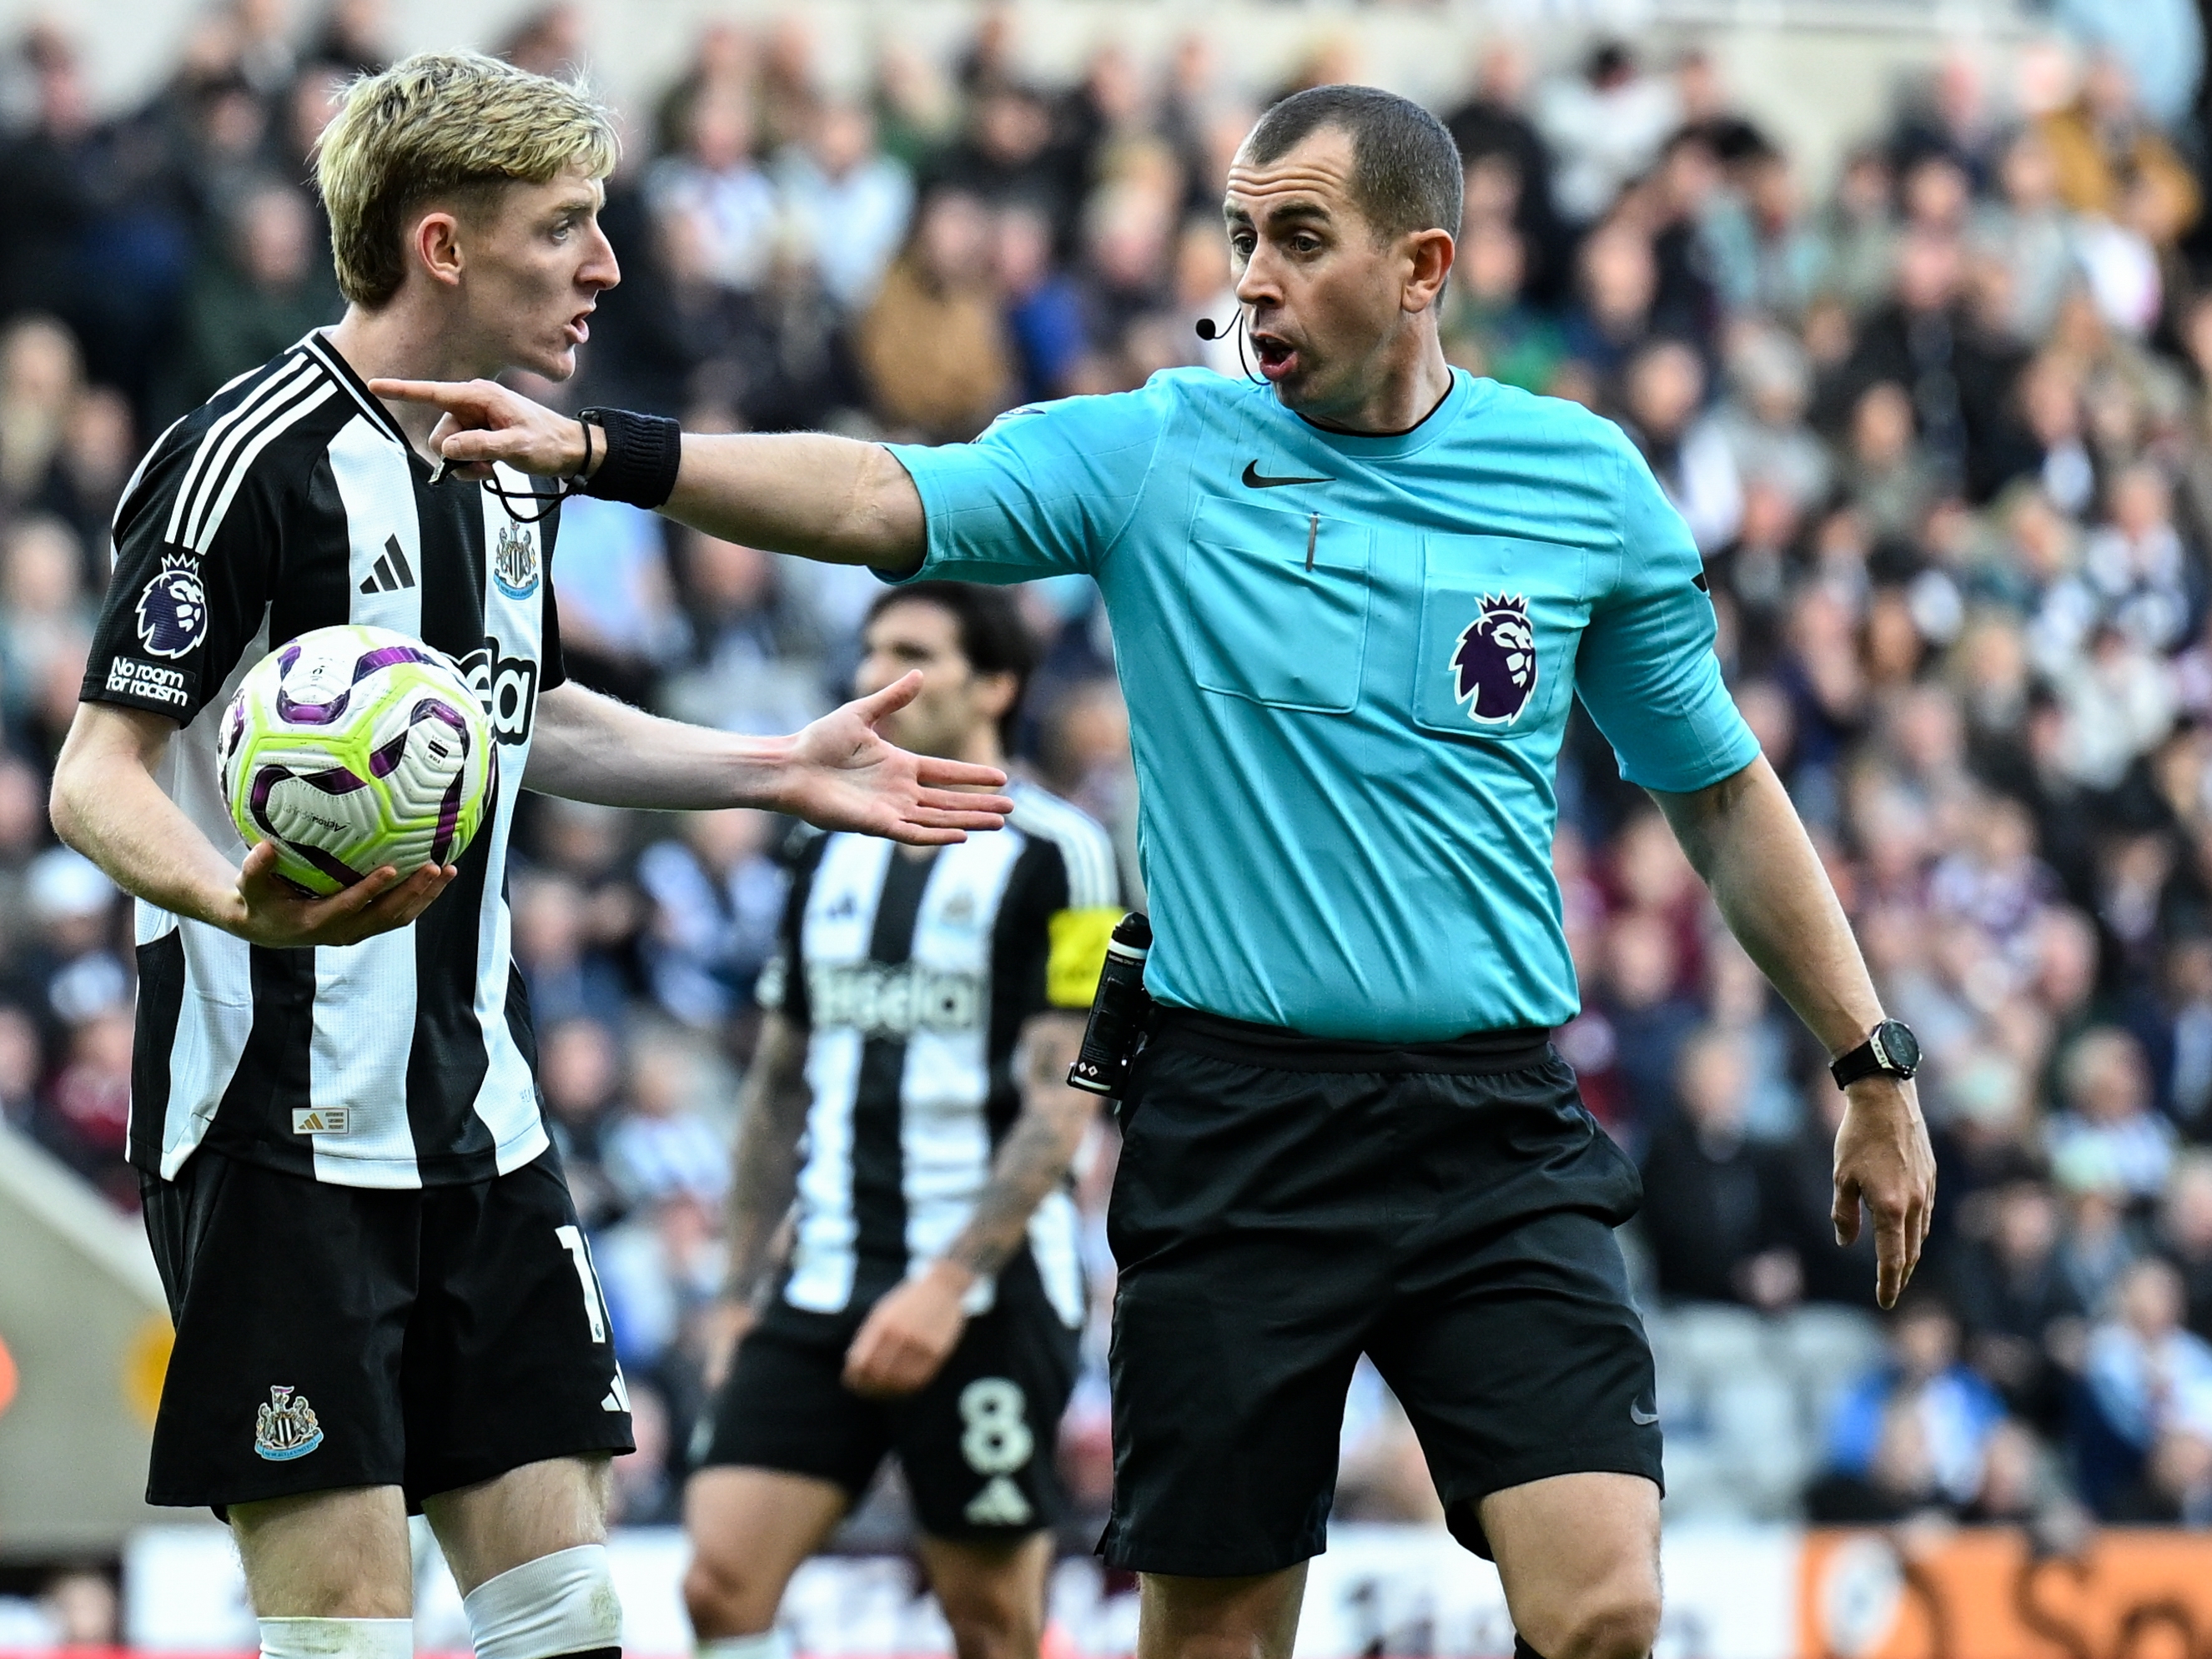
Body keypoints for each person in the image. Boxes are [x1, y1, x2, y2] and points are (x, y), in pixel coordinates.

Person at [378, 83, 1937, 1659]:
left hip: (1495, 1128)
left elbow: (1722, 793)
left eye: (1301, 238)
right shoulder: (1159, 453)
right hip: (1238, 1129)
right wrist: (603, 449)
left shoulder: (1580, 484)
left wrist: (1866, 1058)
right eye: (1241, 234)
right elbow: (876, 495)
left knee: (1603, 1604)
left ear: (1423, 265)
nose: (1253, 274)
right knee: (1208, 1639)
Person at [44, 52, 1011, 1659]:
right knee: (345, 1631)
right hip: (277, 1133)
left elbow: (515, 714)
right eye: (566, 226)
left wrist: (772, 766)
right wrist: (237, 900)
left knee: (568, 1618)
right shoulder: (246, 462)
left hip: (481, 1120)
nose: (605, 266)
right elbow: (97, 772)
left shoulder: (517, 463)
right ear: (441, 245)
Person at [684, 580, 1119, 1659]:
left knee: (992, 1621)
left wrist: (944, 1284)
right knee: (718, 1584)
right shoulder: (822, 842)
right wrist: (739, 1294)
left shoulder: (1064, 852)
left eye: (911, 650)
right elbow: (780, 1084)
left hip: (985, 1295)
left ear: (997, 684)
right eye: (870, 646)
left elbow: (1065, 1090)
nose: (875, 672)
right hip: (824, 1278)